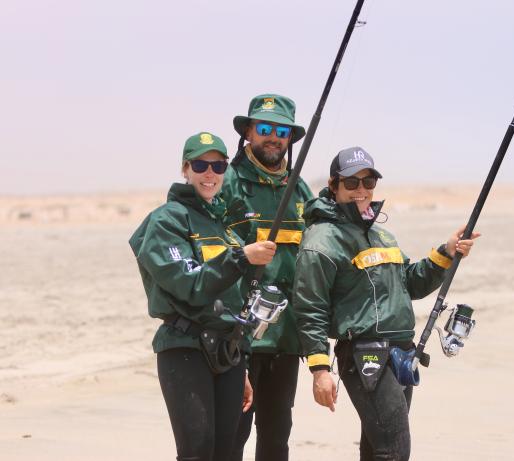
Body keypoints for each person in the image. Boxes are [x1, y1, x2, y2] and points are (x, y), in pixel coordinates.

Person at [292, 146, 480, 461]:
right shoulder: (321, 239)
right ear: (334, 184)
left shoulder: (381, 234)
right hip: (364, 355)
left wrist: (446, 253)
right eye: (351, 183)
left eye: (368, 182)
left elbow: (410, 284)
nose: (361, 190)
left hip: (402, 354)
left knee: (376, 447)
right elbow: (310, 308)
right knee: (394, 448)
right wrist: (319, 369)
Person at [129, 131, 277, 461]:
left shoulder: (223, 226)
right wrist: (241, 258)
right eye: (201, 164)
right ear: (185, 169)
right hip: (185, 347)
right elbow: (188, 284)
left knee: (228, 449)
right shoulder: (166, 220)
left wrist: (241, 360)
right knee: (197, 450)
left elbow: (236, 301)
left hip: (229, 352)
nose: (210, 173)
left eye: (219, 166)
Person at [222, 94, 313, 461]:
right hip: (237, 335)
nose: (273, 137)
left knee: (276, 440)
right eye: (264, 128)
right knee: (231, 437)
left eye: (281, 130)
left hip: (285, 337)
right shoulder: (227, 182)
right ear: (248, 132)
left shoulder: (301, 190)